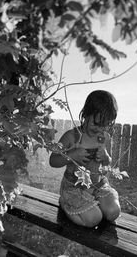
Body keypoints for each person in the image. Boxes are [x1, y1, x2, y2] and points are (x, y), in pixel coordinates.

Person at [49, 90, 121, 227]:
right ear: (86, 114)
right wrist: (71, 155)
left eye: (104, 125)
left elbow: (107, 165)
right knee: (94, 219)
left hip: (97, 185)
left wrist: (106, 157)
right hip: (74, 188)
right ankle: (66, 204)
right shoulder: (72, 136)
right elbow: (53, 161)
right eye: (96, 123)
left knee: (113, 212)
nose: (99, 129)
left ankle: (93, 203)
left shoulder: (104, 138)